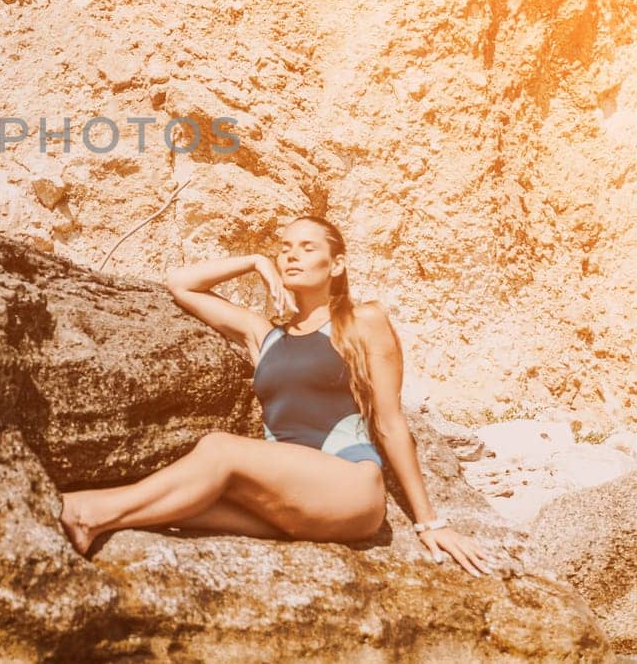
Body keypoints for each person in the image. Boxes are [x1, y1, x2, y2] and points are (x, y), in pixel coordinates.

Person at [56, 215, 499, 576]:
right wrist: (252, 260)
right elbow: (181, 283)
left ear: (337, 265)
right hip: (286, 499)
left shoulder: (363, 321)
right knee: (176, 506)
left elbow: (389, 422)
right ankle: (81, 514)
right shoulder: (263, 335)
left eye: (308, 247)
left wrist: (430, 523)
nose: (291, 254)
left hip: (348, 486)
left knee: (217, 449)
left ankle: (83, 514)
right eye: (284, 247)